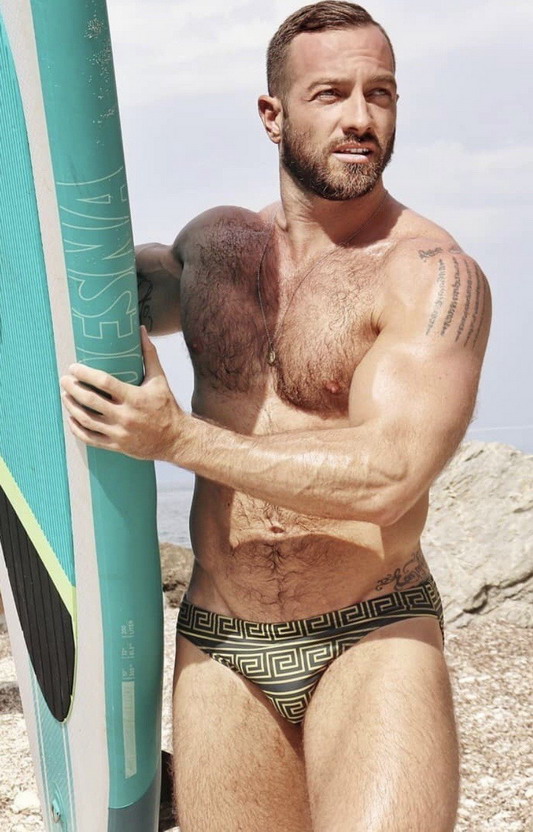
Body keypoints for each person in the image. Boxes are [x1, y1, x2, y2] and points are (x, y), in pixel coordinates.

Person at [60, 2, 491, 829]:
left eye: (379, 93)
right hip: (220, 642)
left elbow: (390, 475)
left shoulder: (430, 274)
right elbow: (88, 298)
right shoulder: (216, 252)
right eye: (330, 93)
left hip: (371, 631)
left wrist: (176, 438)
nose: (360, 118)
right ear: (272, 114)